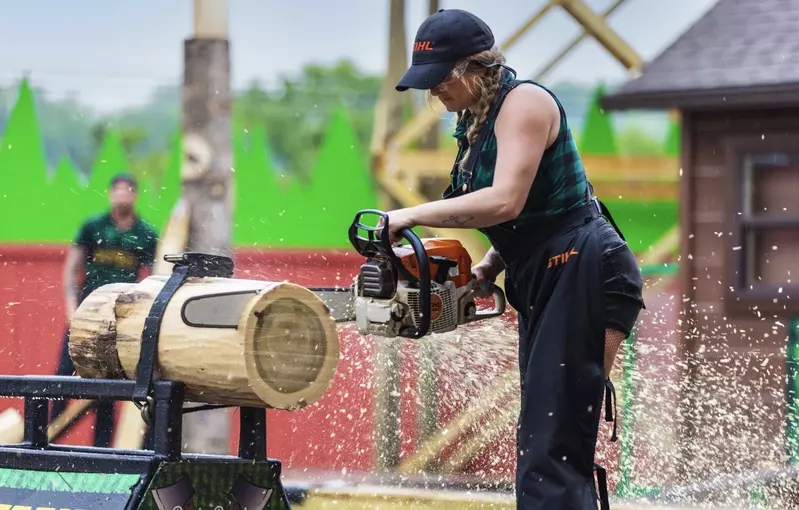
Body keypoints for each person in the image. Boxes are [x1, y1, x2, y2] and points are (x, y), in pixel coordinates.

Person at [384, 9, 645, 510]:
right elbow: (536, 213)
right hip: (551, 270)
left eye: (439, 80)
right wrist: (490, 265)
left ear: (471, 68)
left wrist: (410, 214)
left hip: (584, 267)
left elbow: (507, 200)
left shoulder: (524, 102)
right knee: (545, 435)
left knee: (554, 445)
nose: (435, 92)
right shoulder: (476, 120)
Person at [58, 173, 159, 447]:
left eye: (127, 190)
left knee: (108, 391)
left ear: (135, 195)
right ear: (110, 194)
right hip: (85, 313)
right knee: (60, 381)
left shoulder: (146, 234)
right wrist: (71, 313)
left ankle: (101, 452)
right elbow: (70, 271)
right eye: (117, 190)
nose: (122, 195)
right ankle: (45, 441)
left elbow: (156, 277)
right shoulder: (93, 227)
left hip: (119, 321)